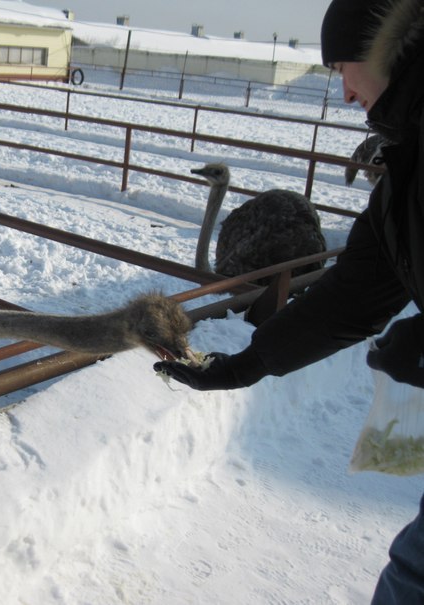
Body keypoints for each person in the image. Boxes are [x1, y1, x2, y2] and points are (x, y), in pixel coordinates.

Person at [153, 0, 424, 602]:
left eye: (344, 69)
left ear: (392, 52)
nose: (347, 93)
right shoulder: (407, 161)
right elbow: (355, 293)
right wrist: (247, 364)